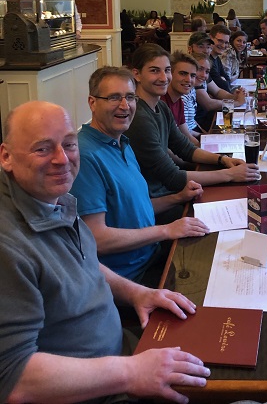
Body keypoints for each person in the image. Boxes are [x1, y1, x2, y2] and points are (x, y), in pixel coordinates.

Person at [0, 100, 210, 404]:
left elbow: (82, 263)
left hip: (123, 351)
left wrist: (138, 293)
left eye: (69, 144)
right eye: (42, 149)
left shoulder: (50, 196)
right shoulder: (8, 243)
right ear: (6, 156)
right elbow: (14, 378)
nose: (62, 159)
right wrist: (131, 372)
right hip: (99, 390)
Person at [70, 66, 209, 284]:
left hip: (151, 255)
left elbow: (133, 208)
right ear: (92, 102)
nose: (125, 106)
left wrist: (178, 197)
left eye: (130, 97)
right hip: (131, 277)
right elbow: (97, 238)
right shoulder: (85, 155)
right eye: (114, 97)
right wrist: (166, 230)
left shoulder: (122, 142)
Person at [126, 45, 260, 206]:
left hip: (169, 191)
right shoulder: (139, 117)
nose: (163, 78)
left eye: (167, 70)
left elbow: (185, 148)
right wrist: (230, 174)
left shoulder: (160, 107)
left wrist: (222, 160)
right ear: (137, 74)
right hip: (154, 201)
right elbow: (173, 177)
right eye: (154, 71)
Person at [191, 52, 246, 131]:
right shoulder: (193, 85)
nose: (204, 75)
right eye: (200, 69)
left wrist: (235, 97)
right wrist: (237, 102)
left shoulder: (201, 78)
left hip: (204, 123)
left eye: (207, 72)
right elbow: (209, 104)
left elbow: (217, 91)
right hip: (203, 122)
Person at [163, 50, 200, 145]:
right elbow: (166, 149)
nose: (188, 80)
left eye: (192, 76)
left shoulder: (178, 101)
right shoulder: (160, 102)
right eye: (183, 73)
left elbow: (187, 136)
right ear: (169, 74)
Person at [209, 23, 234, 91]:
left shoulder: (216, 58)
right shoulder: (208, 60)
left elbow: (227, 79)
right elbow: (223, 85)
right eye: (220, 41)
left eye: (226, 43)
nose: (223, 46)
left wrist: (224, 79)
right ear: (210, 38)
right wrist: (223, 80)